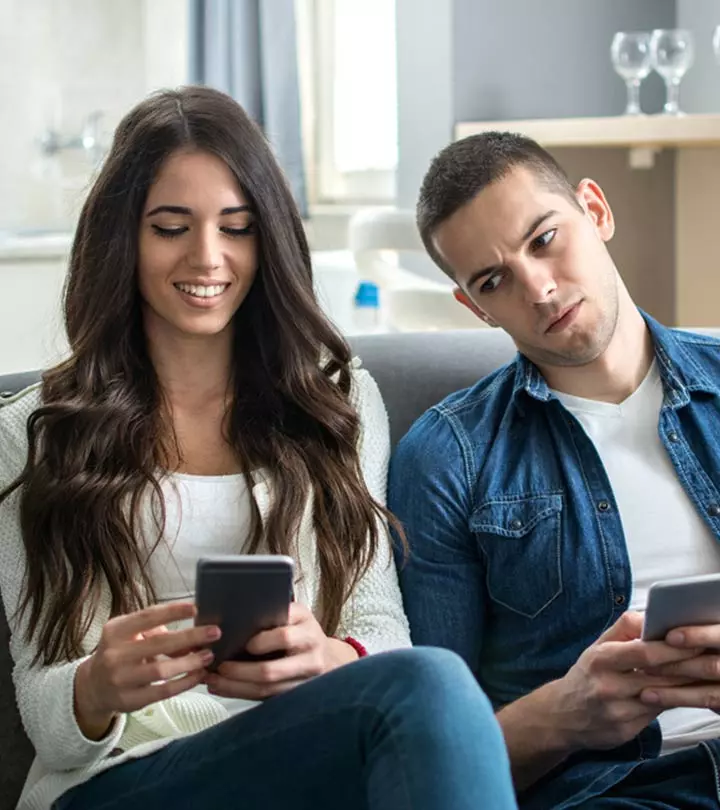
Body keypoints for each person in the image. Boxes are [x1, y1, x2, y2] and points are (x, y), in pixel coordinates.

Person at [0, 88, 517, 810]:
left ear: (265, 237)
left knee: (429, 679)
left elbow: (379, 628)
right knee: (431, 684)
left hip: (293, 752)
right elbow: (43, 707)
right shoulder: (33, 432)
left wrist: (330, 658)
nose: (208, 257)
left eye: (236, 228)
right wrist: (95, 687)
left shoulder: (334, 404)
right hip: (120, 780)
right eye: (171, 227)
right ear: (123, 238)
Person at [389, 130, 720, 809]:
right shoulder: (447, 458)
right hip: (612, 792)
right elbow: (429, 759)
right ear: (474, 307)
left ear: (594, 211)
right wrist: (566, 714)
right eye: (493, 280)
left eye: (544, 239)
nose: (538, 288)